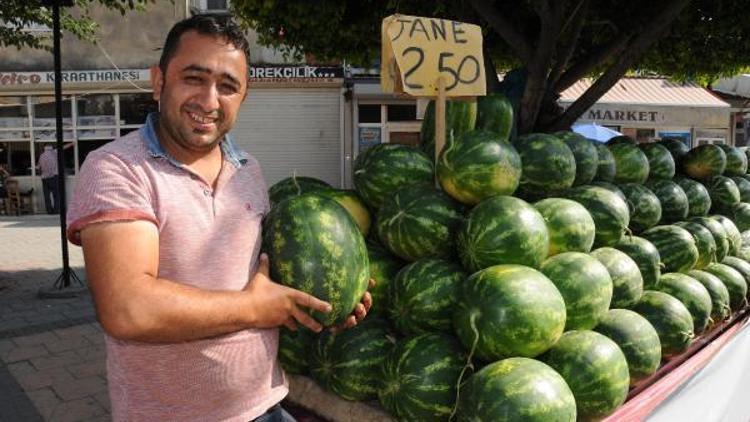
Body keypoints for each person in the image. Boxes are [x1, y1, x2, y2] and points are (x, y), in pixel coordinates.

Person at [66, 14, 371, 422]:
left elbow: (264, 285)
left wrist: (322, 305)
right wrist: (254, 309)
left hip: (266, 405)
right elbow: (128, 308)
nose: (210, 101)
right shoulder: (117, 168)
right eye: (194, 78)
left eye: (228, 87)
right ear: (159, 81)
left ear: (243, 97)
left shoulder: (248, 171)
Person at [37, 142, 73, 214]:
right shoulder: (54, 152)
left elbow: (38, 167)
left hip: (44, 178)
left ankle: (49, 210)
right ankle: (56, 210)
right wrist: (72, 143)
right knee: (56, 195)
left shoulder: (41, 156)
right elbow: (63, 147)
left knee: (46, 195)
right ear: (51, 147)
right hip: (54, 177)